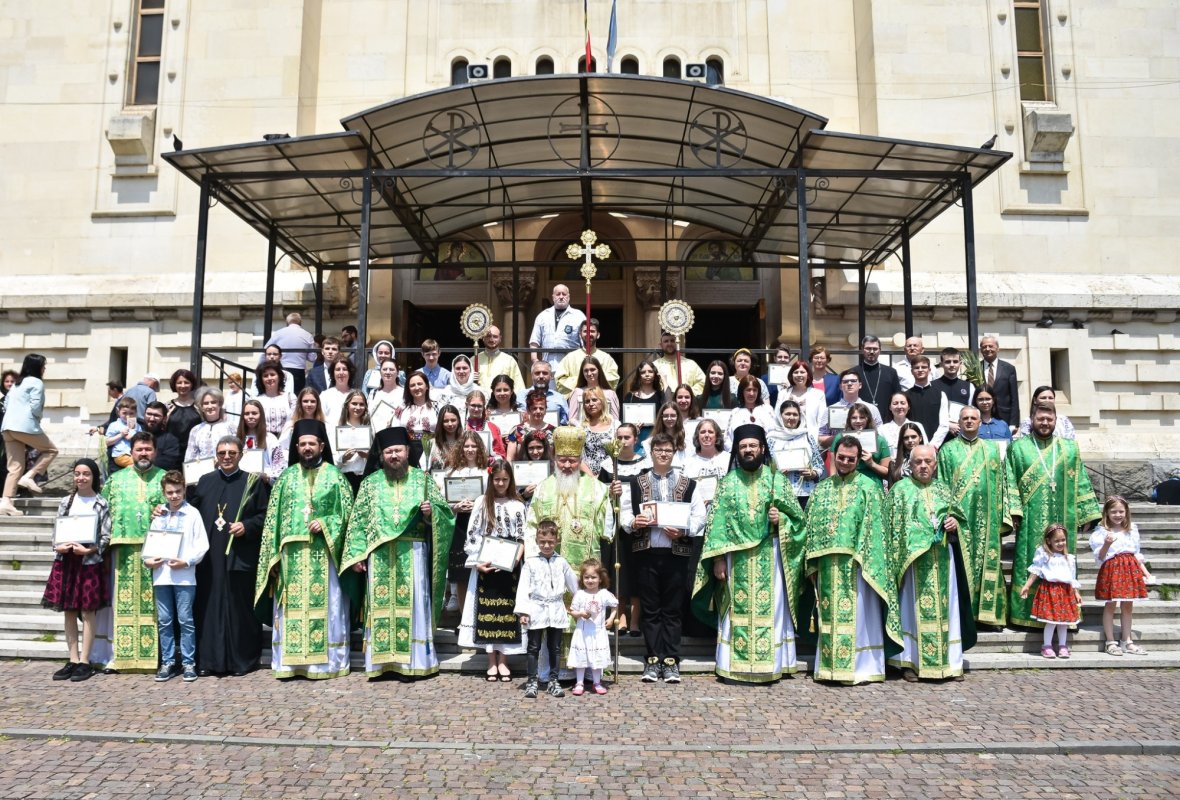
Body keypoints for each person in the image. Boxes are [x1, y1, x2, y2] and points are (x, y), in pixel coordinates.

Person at [692, 424, 807, 684]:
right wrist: (718, 559)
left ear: (762, 448)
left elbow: (799, 522)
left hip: (771, 556)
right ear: (737, 451)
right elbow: (715, 524)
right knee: (736, 611)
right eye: (743, 447)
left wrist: (782, 521)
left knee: (772, 612)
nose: (748, 450)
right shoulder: (727, 482)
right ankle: (734, 665)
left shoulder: (777, 480)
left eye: (752, 446)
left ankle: (771, 665)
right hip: (736, 561)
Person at [341, 427, 456, 679]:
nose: (394, 456)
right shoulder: (370, 484)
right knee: (381, 607)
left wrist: (430, 513)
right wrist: (357, 555)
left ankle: (411, 664)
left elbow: (445, 516)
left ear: (407, 452)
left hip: (412, 551)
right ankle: (382, 664)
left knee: (412, 606)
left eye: (398, 451)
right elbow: (358, 521)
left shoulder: (422, 480)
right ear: (381, 456)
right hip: (379, 554)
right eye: (389, 451)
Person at [255, 419, 355, 679]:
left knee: (329, 607)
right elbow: (272, 522)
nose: (307, 448)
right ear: (296, 447)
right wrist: (272, 558)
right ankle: (291, 664)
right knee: (291, 611)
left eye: (312, 443)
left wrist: (325, 523)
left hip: (325, 555)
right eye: (302, 444)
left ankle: (327, 664)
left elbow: (347, 516)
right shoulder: (286, 478)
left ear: (322, 445)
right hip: (291, 558)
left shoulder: (336, 477)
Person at [804, 437, 900, 685]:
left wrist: (863, 557)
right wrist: (812, 563)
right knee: (829, 618)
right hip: (827, 567)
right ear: (834, 456)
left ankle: (863, 668)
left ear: (859, 460)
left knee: (859, 619)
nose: (845, 462)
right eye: (841, 457)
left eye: (851, 459)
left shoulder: (869, 487)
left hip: (858, 566)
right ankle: (831, 668)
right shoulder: (822, 489)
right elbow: (811, 527)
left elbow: (876, 527)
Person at [620, 432, 706, 683]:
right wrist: (633, 522)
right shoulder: (637, 483)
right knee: (651, 609)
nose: (663, 454)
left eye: (668, 450)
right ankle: (653, 659)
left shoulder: (689, 483)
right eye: (659, 450)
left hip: (676, 552)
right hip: (647, 552)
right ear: (652, 453)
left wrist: (684, 529)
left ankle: (671, 660)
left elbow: (700, 515)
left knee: (672, 609)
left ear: (674, 453)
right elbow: (625, 513)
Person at [1006, 402, 1100, 629]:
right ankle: (1025, 615)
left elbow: (1081, 481)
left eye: (1049, 419)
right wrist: (1014, 511)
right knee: (1030, 563)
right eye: (1041, 419)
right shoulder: (1018, 448)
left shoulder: (1069, 448)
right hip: (1030, 519)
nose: (1045, 423)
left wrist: (1087, 514)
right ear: (1032, 419)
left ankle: (1064, 616)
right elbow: (1008, 481)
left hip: (1062, 519)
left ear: (1055, 420)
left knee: (1062, 565)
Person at [886, 445, 975, 681]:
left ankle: (950, 663)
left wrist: (955, 526)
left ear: (935, 465)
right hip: (912, 565)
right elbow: (891, 529)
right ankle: (910, 663)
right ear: (910, 465)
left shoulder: (944, 490)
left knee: (947, 611)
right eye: (918, 462)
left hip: (943, 561)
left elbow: (960, 521)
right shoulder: (900, 491)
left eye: (928, 462)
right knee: (910, 611)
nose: (923, 466)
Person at [190, 435, 269, 676]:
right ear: (216, 455)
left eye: (231, 453)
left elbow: (265, 516)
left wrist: (247, 526)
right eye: (222, 453)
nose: (226, 457)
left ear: (240, 455)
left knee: (239, 609)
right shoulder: (204, 482)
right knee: (208, 607)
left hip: (239, 556)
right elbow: (189, 513)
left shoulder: (252, 483)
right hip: (210, 559)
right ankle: (209, 662)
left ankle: (241, 661)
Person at [97, 433, 166, 672]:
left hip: (157, 551)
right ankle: (121, 656)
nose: (144, 453)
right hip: (123, 552)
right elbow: (103, 516)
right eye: (139, 449)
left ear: (155, 451)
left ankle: (154, 657)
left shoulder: (165, 478)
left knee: (156, 606)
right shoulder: (115, 480)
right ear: (131, 452)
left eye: (148, 449)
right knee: (122, 604)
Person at [936, 406, 1011, 627]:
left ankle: (989, 616)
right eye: (965, 418)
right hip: (959, 522)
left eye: (973, 418)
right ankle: (963, 617)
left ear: (980, 422)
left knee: (988, 564)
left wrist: (1003, 514)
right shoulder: (947, 451)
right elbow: (941, 485)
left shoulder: (992, 450)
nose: (969, 421)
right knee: (961, 566)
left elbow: (1003, 484)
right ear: (959, 423)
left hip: (988, 520)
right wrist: (945, 517)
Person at [458, 458, 527, 680]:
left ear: (510, 480)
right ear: (491, 479)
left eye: (505, 480)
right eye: (497, 479)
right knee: (487, 613)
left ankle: (504, 659)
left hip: (509, 566)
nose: (500, 484)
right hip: (485, 563)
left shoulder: (517, 505)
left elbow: (522, 536)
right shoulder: (481, 502)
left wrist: (515, 559)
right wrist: (478, 562)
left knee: (507, 613)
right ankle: (491, 660)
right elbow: (472, 534)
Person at [43, 459, 111, 682]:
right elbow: (57, 530)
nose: (81, 478)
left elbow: (105, 537)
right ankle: (72, 659)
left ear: (93, 477)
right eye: (77, 474)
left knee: (88, 611)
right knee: (69, 611)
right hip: (67, 560)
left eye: (86, 474)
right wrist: (58, 545)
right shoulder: (66, 501)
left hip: (88, 562)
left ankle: (85, 660)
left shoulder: (101, 503)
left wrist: (88, 550)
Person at [146, 470, 210, 683]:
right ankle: (168, 661)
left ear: (184, 490)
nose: (174, 496)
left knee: (185, 620)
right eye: (170, 492)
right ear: (164, 493)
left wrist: (187, 561)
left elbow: (202, 544)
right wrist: (147, 560)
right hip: (162, 575)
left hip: (184, 576)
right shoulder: (159, 514)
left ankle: (188, 662)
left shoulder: (192, 514)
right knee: (165, 620)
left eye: (178, 492)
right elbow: (151, 541)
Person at [595, 423, 650, 636]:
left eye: (627, 437)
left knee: (636, 570)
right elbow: (598, 495)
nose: (623, 441)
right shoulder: (609, 464)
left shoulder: (644, 464)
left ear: (636, 439)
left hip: (638, 523)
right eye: (619, 437)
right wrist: (610, 491)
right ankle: (621, 616)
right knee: (619, 570)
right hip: (614, 523)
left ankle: (636, 619)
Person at [515, 519, 578, 698]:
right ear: (536, 541)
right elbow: (523, 587)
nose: (547, 545)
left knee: (555, 647)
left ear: (557, 541)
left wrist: (582, 603)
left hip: (556, 608)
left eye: (550, 542)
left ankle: (553, 680)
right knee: (533, 647)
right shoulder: (531, 562)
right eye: (543, 542)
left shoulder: (562, 562)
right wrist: (523, 611)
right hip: (536, 607)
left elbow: (574, 586)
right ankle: (532, 681)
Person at [1089, 496, 1152, 657]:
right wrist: (1107, 544)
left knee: (1127, 606)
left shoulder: (1132, 529)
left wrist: (1146, 572)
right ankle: (1110, 641)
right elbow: (1100, 557)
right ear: (1107, 513)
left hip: (1130, 569)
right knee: (1110, 605)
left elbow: (1136, 554)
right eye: (1114, 511)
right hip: (1112, 568)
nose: (1118, 514)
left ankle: (1127, 640)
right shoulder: (1101, 533)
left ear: (1126, 512)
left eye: (1121, 511)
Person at [1, 354, 57, 514]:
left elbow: (6, 404)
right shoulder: (36, 382)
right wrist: (36, 422)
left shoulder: (17, 383)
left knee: (15, 467)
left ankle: (6, 501)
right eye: (43, 366)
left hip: (7, 428)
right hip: (24, 426)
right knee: (51, 450)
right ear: (37, 367)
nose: (44, 369)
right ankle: (30, 476)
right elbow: (35, 407)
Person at [1019, 523, 1082, 659]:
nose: (1060, 543)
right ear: (1049, 541)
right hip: (1050, 590)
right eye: (1057, 541)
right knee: (1051, 621)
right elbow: (1036, 571)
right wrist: (1027, 585)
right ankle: (1046, 646)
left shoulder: (1069, 558)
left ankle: (1062, 646)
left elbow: (1072, 577)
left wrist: (1076, 592)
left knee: (1064, 622)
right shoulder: (1045, 555)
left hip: (1065, 591)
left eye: (1063, 540)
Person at [442, 431, 489, 613]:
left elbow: (493, 498)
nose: (470, 450)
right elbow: (445, 504)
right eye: (466, 446)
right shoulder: (452, 472)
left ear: (479, 448)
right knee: (461, 574)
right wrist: (455, 507)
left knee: (480, 571)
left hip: (481, 524)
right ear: (461, 449)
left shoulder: (486, 472)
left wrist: (478, 504)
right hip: (460, 524)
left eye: (473, 446)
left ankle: (480, 617)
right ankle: (463, 619)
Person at [567, 558, 618, 696]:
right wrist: (580, 614)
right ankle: (579, 682)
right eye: (587, 577)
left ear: (600, 579)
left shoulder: (604, 594)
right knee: (581, 658)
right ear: (582, 579)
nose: (590, 580)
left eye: (593, 577)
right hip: (582, 632)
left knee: (597, 657)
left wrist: (611, 618)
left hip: (598, 632)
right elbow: (572, 610)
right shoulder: (580, 594)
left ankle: (597, 682)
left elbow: (615, 605)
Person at [770, 400, 825, 508]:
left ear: (800, 417)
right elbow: (766, 467)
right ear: (781, 416)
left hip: (806, 493)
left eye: (795, 414)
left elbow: (818, 464)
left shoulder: (807, 436)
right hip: (780, 492)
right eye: (787, 414)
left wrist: (812, 473)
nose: (791, 417)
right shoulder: (772, 439)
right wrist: (777, 474)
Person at [529, 284, 587, 374]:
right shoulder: (543, 315)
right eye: (558, 294)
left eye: (564, 294)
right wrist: (535, 360)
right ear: (553, 297)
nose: (561, 297)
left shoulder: (579, 316)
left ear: (568, 297)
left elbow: (585, 342)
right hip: (548, 366)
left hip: (571, 365)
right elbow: (534, 341)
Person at [818, 369, 883, 449]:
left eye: (853, 381)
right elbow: (821, 438)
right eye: (845, 382)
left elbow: (880, 434)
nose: (849, 384)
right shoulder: (830, 410)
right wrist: (841, 438)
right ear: (840, 386)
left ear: (860, 385)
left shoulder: (872, 408)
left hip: (867, 455)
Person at [830, 402, 892, 485]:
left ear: (868, 419)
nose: (858, 421)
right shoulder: (840, 438)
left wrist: (871, 464)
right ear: (849, 419)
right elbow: (833, 469)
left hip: (872, 485)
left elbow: (887, 472)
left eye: (862, 417)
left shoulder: (880, 440)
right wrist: (834, 485)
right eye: (854, 418)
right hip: (846, 484)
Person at [850, 335, 900, 422]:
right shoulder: (853, 373)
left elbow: (897, 397)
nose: (872, 352)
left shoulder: (891, 372)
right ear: (862, 350)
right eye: (868, 348)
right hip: (860, 421)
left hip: (887, 420)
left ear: (880, 350)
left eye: (875, 349)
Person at [396, 370, 440, 467]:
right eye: (412, 385)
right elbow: (396, 431)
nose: (416, 388)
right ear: (408, 388)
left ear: (427, 386)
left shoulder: (437, 406)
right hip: (408, 450)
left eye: (420, 384)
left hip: (431, 449)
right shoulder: (402, 408)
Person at [262, 312, 315, 392]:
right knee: (297, 396)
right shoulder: (307, 335)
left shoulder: (279, 333)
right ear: (300, 322)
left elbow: (266, 350)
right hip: (298, 370)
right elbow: (312, 357)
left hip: (281, 368)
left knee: (280, 393)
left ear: (287, 322)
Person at [903, 355, 949, 448]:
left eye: (924, 367)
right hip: (912, 445)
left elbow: (944, 424)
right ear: (912, 371)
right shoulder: (905, 396)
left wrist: (933, 444)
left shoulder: (940, 394)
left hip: (935, 446)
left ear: (929, 370)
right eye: (916, 368)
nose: (920, 370)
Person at [236, 398, 285, 483]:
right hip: (240, 483)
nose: (250, 416)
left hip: (262, 485)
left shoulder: (270, 439)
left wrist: (268, 478)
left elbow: (279, 467)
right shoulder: (237, 439)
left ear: (261, 415)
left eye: (254, 413)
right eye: (247, 414)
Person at [724, 375, 777, 450]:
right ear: (742, 391)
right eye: (748, 390)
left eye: (754, 390)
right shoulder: (735, 413)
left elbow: (775, 433)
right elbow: (727, 439)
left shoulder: (768, 410)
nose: (751, 393)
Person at [333, 390, 371, 495]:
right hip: (344, 476)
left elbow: (377, 455)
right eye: (354, 403)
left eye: (361, 404)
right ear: (347, 405)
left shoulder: (369, 426)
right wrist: (343, 458)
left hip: (365, 477)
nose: (358, 407)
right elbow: (332, 458)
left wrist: (367, 455)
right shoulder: (338, 427)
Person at [184, 387, 235, 463]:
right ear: (201, 407)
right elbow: (189, 458)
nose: (210, 406)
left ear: (220, 404)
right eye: (206, 403)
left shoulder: (230, 427)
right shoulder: (196, 430)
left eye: (213, 402)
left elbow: (237, 452)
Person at [774, 359, 826, 435]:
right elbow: (777, 417)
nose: (799, 375)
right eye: (796, 372)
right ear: (791, 375)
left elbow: (822, 420)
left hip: (809, 437)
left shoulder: (818, 394)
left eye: (802, 372)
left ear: (808, 375)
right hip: (785, 436)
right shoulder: (783, 394)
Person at [621, 360, 665, 447]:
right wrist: (632, 427)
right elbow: (622, 419)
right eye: (643, 372)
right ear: (639, 375)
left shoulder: (660, 395)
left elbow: (669, 404)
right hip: (634, 439)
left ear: (655, 374)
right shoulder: (630, 396)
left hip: (655, 437)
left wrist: (664, 379)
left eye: (650, 372)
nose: (647, 374)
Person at [979, 335, 1019, 430]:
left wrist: (1013, 423)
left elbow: (1014, 398)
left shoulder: (1009, 369)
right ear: (981, 350)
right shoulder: (975, 369)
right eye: (984, 347)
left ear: (997, 349)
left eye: (990, 346)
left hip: (1004, 418)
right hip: (981, 418)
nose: (987, 349)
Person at [506, 389, 557, 463]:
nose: (538, 411)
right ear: (528, 410)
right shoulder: (517, 430)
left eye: (541, 408)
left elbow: (556, 459)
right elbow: (510, 458)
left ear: (546, 410)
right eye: (534, 408)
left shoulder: (554, 431)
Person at [934, 348, 975, 439]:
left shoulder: (969, 387)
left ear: (960, 364)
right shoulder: (933, 386)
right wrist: (948, 425)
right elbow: (931, 413)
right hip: (938, 435)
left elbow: (971, 411)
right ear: (941, 364)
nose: (952, 365)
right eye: (948, 362)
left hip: (961, 434)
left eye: (955, 361)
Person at [567, 356, 621, 425]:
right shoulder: (577, 392)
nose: (589, 373)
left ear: (599, 370)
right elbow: (571, 419)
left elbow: (615, 420)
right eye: (586, 370)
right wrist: (580, 426)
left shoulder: (610, 394)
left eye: (592, 370)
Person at [515, 360, 570, 424]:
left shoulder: (559, 398)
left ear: (551, 376)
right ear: (532, 376)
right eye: (537, 373)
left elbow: (565, 422)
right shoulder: (520, 396)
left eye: (545, 373)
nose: (541, 376)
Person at [578, 387, 618, 476]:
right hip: (587, 477)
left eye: (594, 400)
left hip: (610, 476)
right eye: (587, 401)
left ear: (602, 401)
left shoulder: (615, 425)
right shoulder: (581, 428)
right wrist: (592, 478)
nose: (591, 404)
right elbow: (578, 457)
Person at [653, 331, 705, 396]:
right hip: (664, 403)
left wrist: (687, 393)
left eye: (672, 340)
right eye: (666, 341)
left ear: (678, 343)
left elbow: (703, 383)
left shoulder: (690, 364)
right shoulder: (655, 365)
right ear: (661, 345)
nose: (669, 344)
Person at [474, 325, 524, 392]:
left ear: (500, 338)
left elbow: (518, 387)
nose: (491, 339)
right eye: (488, 336)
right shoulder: (474, 360)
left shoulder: (509, 360)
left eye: (495, 336)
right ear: (483, 338)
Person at [165, 369, 201, 456]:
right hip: (171, 452)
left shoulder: (199, 406)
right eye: (179, 382)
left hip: (194, 452)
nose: (183, 385)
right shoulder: (168, 406)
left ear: (192, 384)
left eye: (186, 382)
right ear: (174, 384)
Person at [878, 392, 926, 458]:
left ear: (908, 406)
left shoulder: (918, 425)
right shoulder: (882, 429)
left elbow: (925, 448)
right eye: (895, 403)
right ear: (890, 407)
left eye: (902, 403)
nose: (899, 406)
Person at [254, 363, 296, 438]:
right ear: (261, 379)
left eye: (272, 374)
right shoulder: (256, 400)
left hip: (286, 441)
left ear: (279, 377)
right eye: (265, 376)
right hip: (264, 441)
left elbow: (296, 419)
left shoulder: (290, 398)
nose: (269, 378)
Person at [463, 390, 506, 458]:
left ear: (484, 406)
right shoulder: (461, 426)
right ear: (466, 405)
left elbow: (501, 454)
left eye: (479, 406)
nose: (476, 409)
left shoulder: (493, 428)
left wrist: (492, 460)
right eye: (473, 405)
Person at [143, 401, 182, 472]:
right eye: (149, 414)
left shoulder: (170, 440)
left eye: (156, 415)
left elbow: (167, 464)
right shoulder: (134, 435)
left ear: (164, 418)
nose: (152, 419)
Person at [105, 397, 141, 470]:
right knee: (137, 464)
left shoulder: (136, 425)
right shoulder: (114, 425)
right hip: (121, 454)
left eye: (131, 413)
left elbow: (141, 439)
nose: (128, 416)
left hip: (134, 454)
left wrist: (134, 438)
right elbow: (107, 442)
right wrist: (121, 435)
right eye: (124, 413)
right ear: (118, 412)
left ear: (135, 413)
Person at [319, 357, 357, 425]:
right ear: (333, 373)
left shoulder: (356, 395)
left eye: (344, 369)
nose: (341, 372)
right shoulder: (325, 395)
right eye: (338, 369)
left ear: (350, 372)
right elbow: (320, 419)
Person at [425, 405, 464, 472]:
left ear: (458, 420)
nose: (450, 424)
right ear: (440, 422)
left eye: (453, 420)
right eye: (446, 421)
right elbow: (424, 468)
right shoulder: (432, 443)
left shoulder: (465, 441)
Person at [367, 359, 403, 432]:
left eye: (391, 369)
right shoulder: (373, 393)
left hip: (397, 437)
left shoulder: (404, 393)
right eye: (385, 369)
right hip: (376, 437)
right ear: (380, 372)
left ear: (397, 373)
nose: (388, 372)